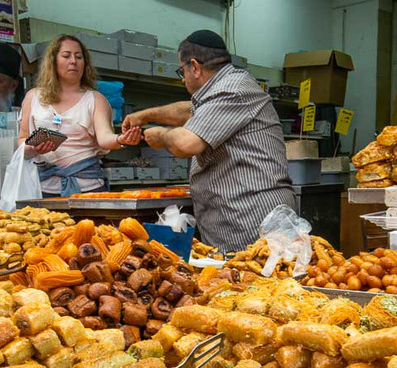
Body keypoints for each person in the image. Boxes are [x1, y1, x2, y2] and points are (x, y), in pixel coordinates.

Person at [122, 30, 294, 252]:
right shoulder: (223, 89)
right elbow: (187, 110)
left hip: (252, 220)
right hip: (240, 218)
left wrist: (160, 136)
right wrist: (145, 115)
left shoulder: (232, 90)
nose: (183, 78)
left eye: (181, 71)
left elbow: (186, 144)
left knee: (258, 285)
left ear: (194, 66)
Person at [18, 35, 141, 197]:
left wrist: (120, 139)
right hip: (43, 189)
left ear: (85, 64)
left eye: (79, 57)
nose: (73, 61)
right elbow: (22, 139)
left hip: (88, 189)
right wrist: (32, 148)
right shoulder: (33, 97)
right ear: (53, 61)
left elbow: (104, 138)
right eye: (66, 55)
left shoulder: (96, 99)